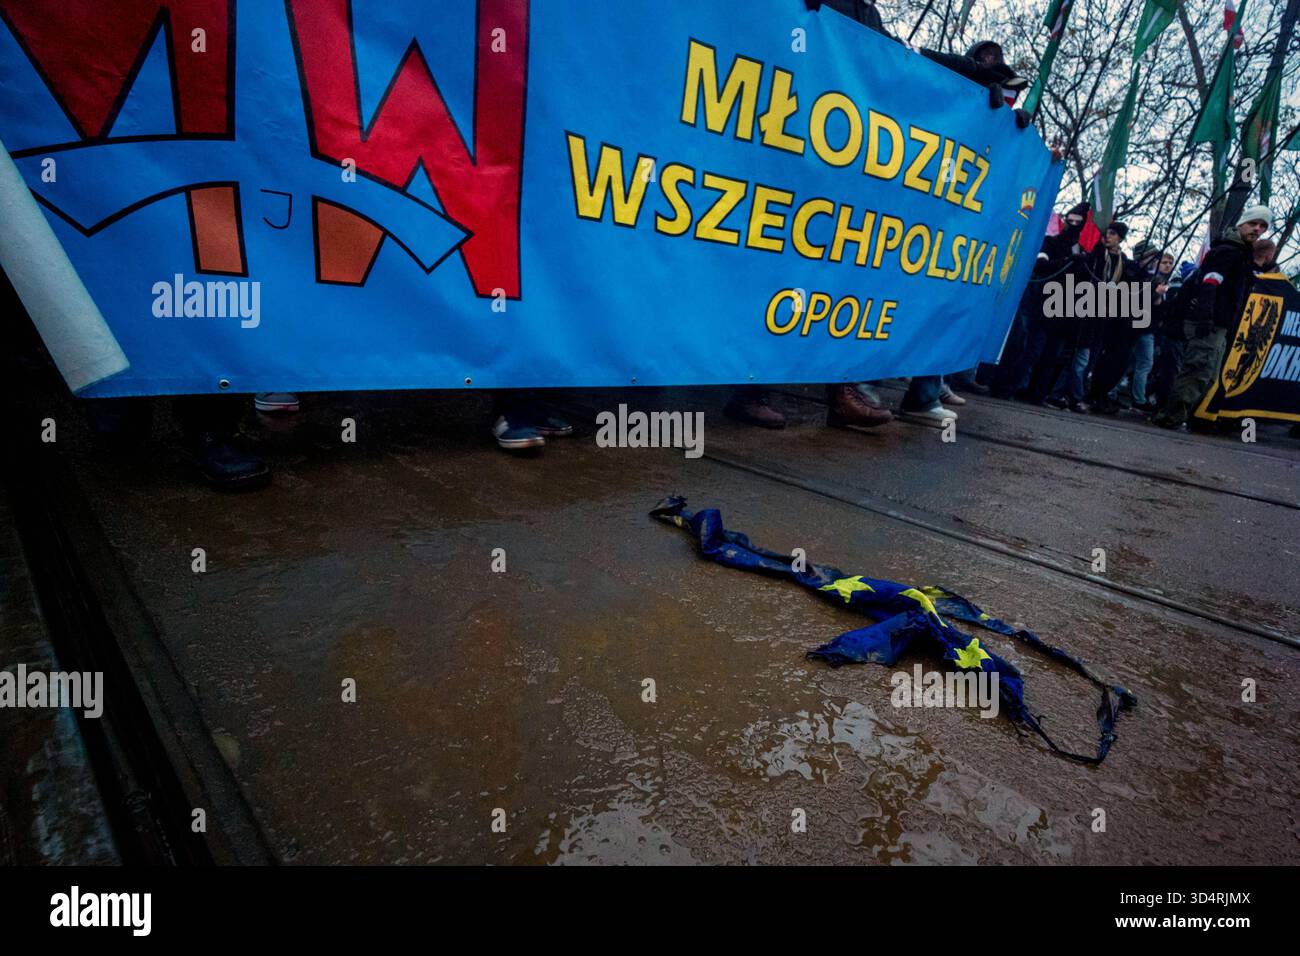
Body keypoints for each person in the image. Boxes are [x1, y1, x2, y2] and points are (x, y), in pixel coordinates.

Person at [1151, 206, 1271, 430]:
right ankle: (1172, 415)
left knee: (1207, 371)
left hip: (1220, 323)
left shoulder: (1240, 253)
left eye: (1263, 226)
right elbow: (1210, 283)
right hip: (1210, 323)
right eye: (1254, 223)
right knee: (1199, 367)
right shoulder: (1229, 251)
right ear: (1241, 224)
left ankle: (1182, 414)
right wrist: (1206, 315)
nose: (1257, 229)